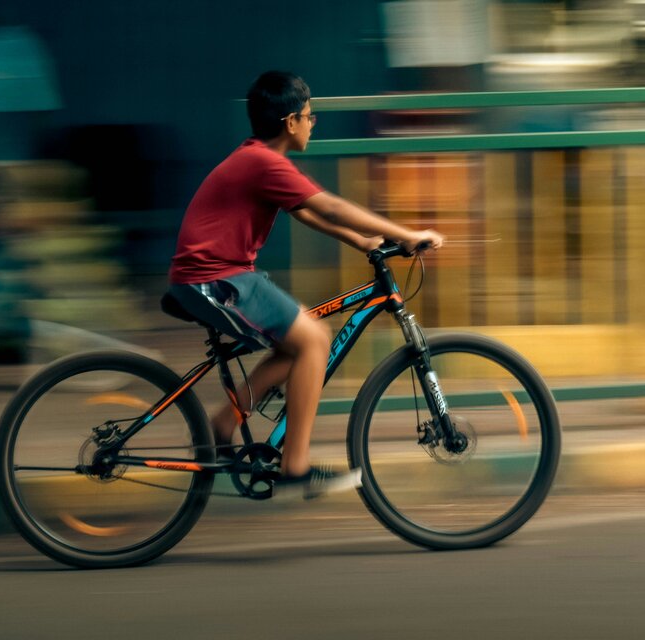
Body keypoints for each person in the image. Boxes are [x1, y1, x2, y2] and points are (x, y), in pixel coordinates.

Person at [166, 71, 443, 498]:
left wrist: (363, 241)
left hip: (219, 276)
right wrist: (405, 233)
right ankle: (295, 467)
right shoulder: (263, 162)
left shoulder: (257, 158)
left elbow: (306, 212)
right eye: (311, 117)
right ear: (291, 121)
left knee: (298, 341)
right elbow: (328, 206)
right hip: (216, 279)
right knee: (315, 338)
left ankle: (224, 422)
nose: (314, 124)